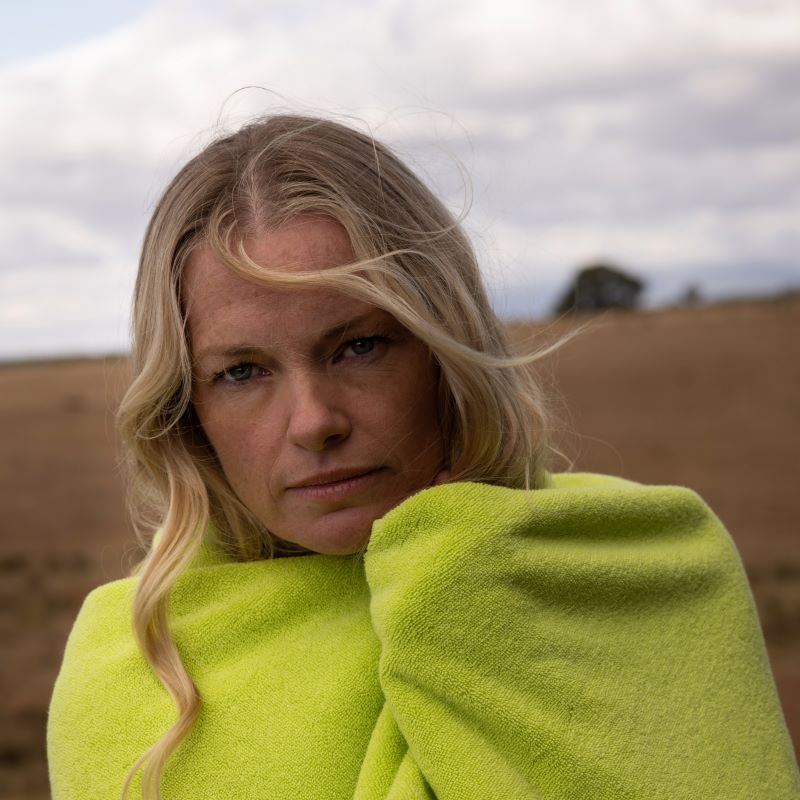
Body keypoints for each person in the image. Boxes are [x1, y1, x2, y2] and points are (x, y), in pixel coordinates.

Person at [47, 114, 799, 800]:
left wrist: (461, 575)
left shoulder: (635, 570)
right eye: (242, 372)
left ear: (444, 349)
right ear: (189, 410)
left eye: (360, 346)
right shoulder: (130, 666)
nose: (314, 422)